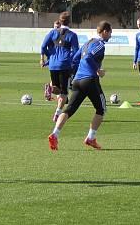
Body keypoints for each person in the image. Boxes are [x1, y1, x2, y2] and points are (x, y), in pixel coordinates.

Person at [48, 21, 113, 151]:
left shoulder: (87, 43)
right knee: (101, 109)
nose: (110, 35)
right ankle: (91, 138)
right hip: (90, 80)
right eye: (110, 32)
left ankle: (55, 134)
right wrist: (97, 70)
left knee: (69, 110)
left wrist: (77, 73)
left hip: (78, 81)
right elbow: (88, 58)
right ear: (105, 32)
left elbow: (75, 59)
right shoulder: (99, 44)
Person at [40, 12, 79, 122]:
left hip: (53, 65)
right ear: (69, 22)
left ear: (60, 21)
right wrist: (73, 63)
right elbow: (76, 53)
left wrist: (49, 57)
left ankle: (51, 87)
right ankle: (57, 113)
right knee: (64, 93)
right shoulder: (72, 35)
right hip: (65, 65)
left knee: (58, 89)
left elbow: (43, 46)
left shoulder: (52, 32)